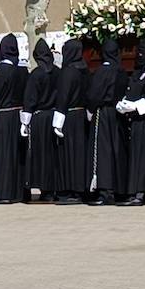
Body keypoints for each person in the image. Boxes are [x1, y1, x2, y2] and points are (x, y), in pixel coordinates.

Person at [0, 35, 28, 204]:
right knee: (17, 154)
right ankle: (19, 192)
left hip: (3, 117)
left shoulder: (3, 69)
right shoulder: (23, 68)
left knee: (2, 155)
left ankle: (2, 192)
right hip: (19, 115)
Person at [84, 38, 128, 206]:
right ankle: (119, 188)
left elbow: (94, 95)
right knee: (117, 149)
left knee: (102, 151)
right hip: (117, 113)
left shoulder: (102, 71)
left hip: (102, 113)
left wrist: (90, 109)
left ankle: (104, 189)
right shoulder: (121, 71)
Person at [21, 38, 62, 203]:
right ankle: (53, 187)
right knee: (52, 154)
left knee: (40, 154)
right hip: (53, 117)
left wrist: (25, 121)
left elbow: (29, 99)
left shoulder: (36, 75)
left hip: (38, 119)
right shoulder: (58, 72)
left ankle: (44, 188)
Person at [118, 45, 145, 206]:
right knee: (135, 154)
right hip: (136, 120)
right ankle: (134, 189)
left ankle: (142, 191)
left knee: (144, 155)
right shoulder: (138, 72)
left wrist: (136, 106)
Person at [54, 39, 90, 204]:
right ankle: (81, 188)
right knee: (80, 153)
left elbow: (63, 96)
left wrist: (58, 120)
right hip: (82, 115)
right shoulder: (84, 70)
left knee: (68, 153)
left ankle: (70, 189)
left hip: (69, 117)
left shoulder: (68, 72)